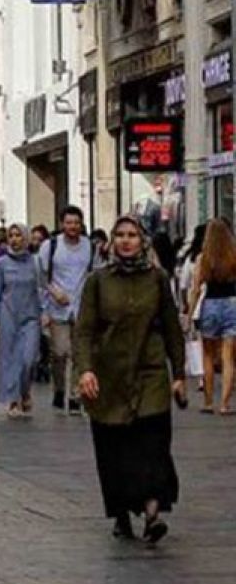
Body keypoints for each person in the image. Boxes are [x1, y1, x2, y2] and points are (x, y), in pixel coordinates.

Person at [75, 215, 186, 543]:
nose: (125, 241)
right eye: (120, 235)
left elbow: (171, 329)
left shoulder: (157, 279)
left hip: (150, 374)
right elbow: (84, 330)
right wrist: (86, 369)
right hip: (108, 378)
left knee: (153, 447)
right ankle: (121, 514)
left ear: (143, 240)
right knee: (115, 452)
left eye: (132, 235)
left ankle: (153, 516)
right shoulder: (98, 280)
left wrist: (178, 373)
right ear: (111, 241)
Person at [39, 206, 94, 415]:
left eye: (76, 223)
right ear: (62, 224)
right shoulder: (50, 246)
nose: (73, 227)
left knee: (79, 353)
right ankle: (59, 388)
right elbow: (41, 276)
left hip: (82, 307)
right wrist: (53, 293)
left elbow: (95, 272)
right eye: (69, 223)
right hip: (57, 307)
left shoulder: (90, 247)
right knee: (60, 352)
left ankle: (75, 397)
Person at [0, 224, 44, 418]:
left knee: (29, 359)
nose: (14, 239)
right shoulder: (1, 263)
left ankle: (25, 390)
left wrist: (45, 312)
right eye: (11, 236)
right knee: (10, 359)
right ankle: (12, 400)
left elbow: (42, 289)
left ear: (26, 238)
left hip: (31, 317)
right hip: (8, 315)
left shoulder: (36, 262)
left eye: (18, 235)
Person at [188, 218, 236, 415]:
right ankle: (225, 404)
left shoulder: (203, 258)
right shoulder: (233, 256)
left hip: (211, 305)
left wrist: (189, 313)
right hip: (232, 304)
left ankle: (208, 402)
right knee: (228, 358)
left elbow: (196, 289)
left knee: (207, 356)